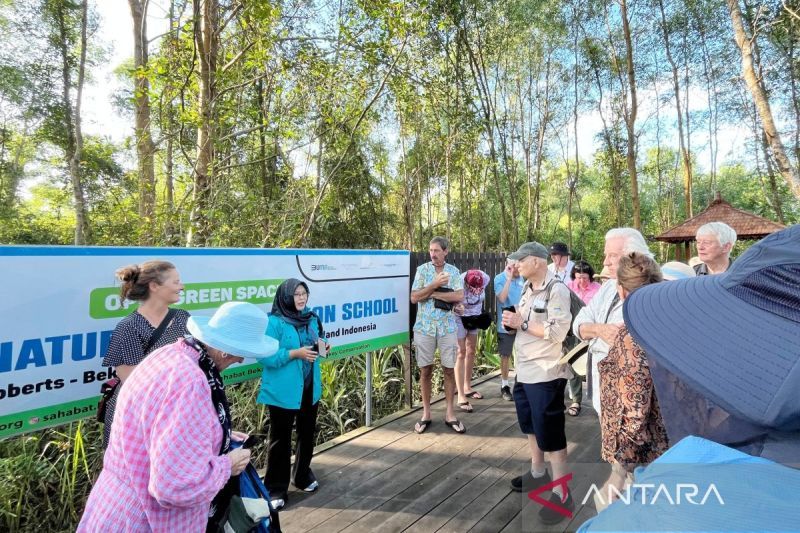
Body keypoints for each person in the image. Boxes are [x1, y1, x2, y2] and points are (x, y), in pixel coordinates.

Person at [78, 302, 279, 532]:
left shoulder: (169, 354)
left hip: (114, 508)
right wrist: (228, 465)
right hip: (147, 520)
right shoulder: (191, 382)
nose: (241, 361)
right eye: (241, 354)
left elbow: (163, 426)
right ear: (225, 349)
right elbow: (174, 487)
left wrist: (217, 433)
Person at [624, 224, 800, 464]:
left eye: (708, 241)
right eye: (698, 240)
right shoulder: (713, 272)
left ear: (727, 247)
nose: (701, 246)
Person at [502, 242, 574, 525]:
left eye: (521, 260)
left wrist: (520, 324)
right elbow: (528, 323)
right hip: (525, 371)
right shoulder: (527, 289)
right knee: (530, 425)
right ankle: (537, 473)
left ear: (537, 262)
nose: (517, 265)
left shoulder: (557, 289)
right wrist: (515, 322)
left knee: (552, 434)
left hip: (546, 373)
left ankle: (562, 492)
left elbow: (557, 332)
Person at [595, 253, 668, 510]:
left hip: (642, 456)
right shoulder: (670, 324)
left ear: (622, 292)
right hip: (670, 442)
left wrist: (618, 471)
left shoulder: (632, 336)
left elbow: (635, 409)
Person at [101, 260, 190, 447]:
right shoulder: (129, 328)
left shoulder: (183, 318)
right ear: (154, 286)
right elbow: (134, 383)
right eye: (175, 282)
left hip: (174, 412)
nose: (181, 287)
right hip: (136, 417)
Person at [258, 278, 329, 510]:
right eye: (296, 294)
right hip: (283, 391)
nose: (301, 298)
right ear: (285, 297)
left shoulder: (312, 317)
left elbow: (320, 339)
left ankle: (301, 475)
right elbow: (265, 356)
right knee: (280, 439)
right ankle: (275, 488)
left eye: (304, 293)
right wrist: (294, 354)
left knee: (307, 433)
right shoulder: (274, 322)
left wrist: (324, 347)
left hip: (309, 387)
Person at [572, 227, 653, 419]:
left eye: (613, 256)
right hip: (601, 388)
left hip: (630, 396)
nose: (604, 262)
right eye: (605, 255)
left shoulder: (651, 293)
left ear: (634, 257)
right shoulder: (609, 286)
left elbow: (626, 344)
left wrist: (592, 331)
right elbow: (579, 322)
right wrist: (599, 330)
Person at [410, 236, 465, 434]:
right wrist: (433, 285)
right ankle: (426, 413)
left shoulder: (454, 272)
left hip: (447, 328)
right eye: (430, 250)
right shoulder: (422, 270)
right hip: (424, 328)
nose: (432, 254)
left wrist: (432, 294)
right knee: (425, 371)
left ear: (445, 251)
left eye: (436, 250)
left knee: (449, 370)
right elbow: (415, 297)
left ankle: (450, 414)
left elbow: (458, 296)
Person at [563, 260, 601, 417]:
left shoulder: (598, 289)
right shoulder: (569, 287)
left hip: (590, 333)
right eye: (578, 277)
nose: (581, 281)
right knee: (572, 364)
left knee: (592, 366)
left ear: (590, 277)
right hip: (571, 332)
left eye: (584, 278)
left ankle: (598, 399)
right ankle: (576, 400)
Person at [454, 269, 490, 412]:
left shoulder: (485, 278)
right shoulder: (459, 281)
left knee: (471, 350)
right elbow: (451, 300)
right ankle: (460, 396)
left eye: (479, 288)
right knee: (460, 352)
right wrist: (457, 306)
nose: (476, 291)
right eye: (472, 288)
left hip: (475, 316)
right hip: (459, 317)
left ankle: (467, 386)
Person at [494, 258, 525, 401]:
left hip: (523, 320)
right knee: (505, 355)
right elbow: (502, 298)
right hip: (506, 322)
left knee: (523, 353)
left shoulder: (523, 277)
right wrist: (509, 278)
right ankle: (505, 385)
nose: (517, 270)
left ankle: (522, 382)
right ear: (508, 266)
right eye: (514, 267)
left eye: (518, 267)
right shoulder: (499, 278)